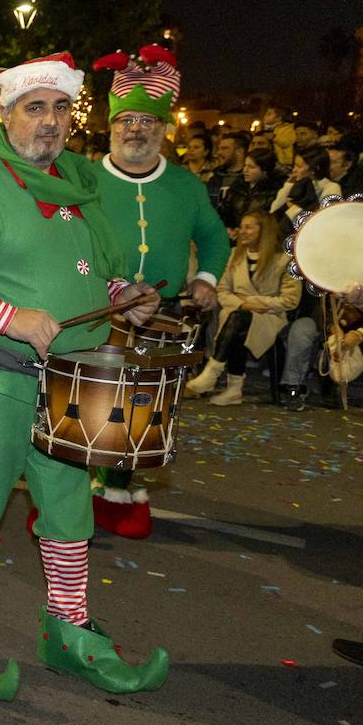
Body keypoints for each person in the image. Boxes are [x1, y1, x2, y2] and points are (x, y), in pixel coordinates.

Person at [0, 52, 168, 702]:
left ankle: (67, 628)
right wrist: (7, 315)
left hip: (71, 378)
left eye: (60, 107)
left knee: (70, 506)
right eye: (34, 106)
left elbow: (85, 273)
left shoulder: (73, 183)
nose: (49, 121)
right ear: (5, 113)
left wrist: (123, 292)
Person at [87, 46, 229, 538]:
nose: (135, 130)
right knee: (86, 408)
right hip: (96, 312)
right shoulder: (85, 179)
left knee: (144, 412)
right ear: (110, 127)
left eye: (147, 122)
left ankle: (120, 496)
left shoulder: (187, 186)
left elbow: (214, 237)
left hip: (164, 317)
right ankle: (69, 498)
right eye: (126, 121)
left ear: (165, 129)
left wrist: (206, 279)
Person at [185, 211, 301, 405]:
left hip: (269, 318)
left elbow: (290, 300)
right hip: (235, 314)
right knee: (239, 319)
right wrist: (243, 304)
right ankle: (232, 389)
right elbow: (221, 291)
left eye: (249, 227)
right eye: (241, 227)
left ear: (264, 231)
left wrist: (251, 301)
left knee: (239, 319)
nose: (242, 232)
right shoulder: (233, 256)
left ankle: (213, 374)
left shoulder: (286, 261)